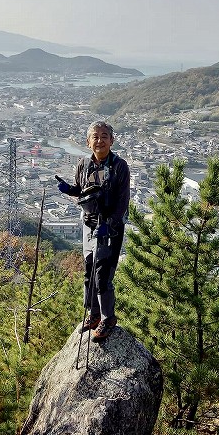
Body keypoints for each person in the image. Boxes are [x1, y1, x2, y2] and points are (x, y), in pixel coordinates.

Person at [56, 121, 130, 341]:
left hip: (110, 228)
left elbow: (122, 202)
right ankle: (94, 313)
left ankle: (108, 318)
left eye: (104, 136)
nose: (100, 140)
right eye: (95, 137)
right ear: (88, 142)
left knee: (103, 273)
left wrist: (110, 224)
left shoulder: (119, 166)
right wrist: (69, 190)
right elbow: (82, 191)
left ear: (112, 140)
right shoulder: (84, 164)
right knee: (89, 270)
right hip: (89, 224)